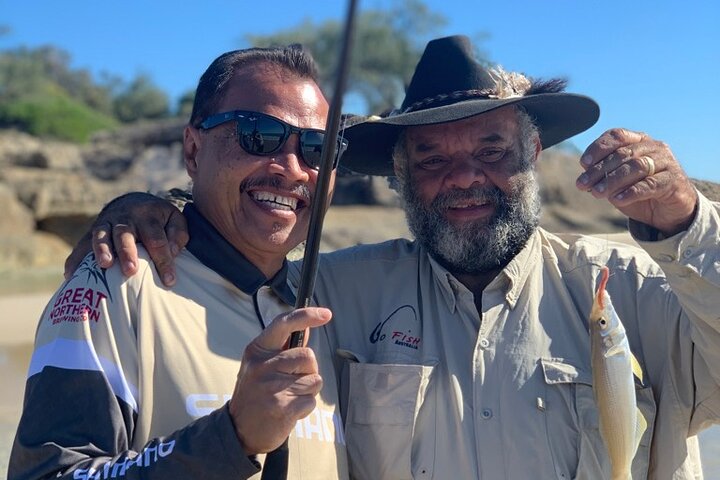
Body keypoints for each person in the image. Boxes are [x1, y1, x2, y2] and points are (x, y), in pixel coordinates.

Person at [66, 36, 720, 479]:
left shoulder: (626, 285)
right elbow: (234, 257)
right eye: (432, 160)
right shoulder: (332, 293)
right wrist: (146, 210)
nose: (463, 178)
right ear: (401, 179)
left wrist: (687, 220)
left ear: (533, 158)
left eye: (491, 151)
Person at [9, 45, 350, 480]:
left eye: (318, 149)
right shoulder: (116, 284)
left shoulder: (339, 305)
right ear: (192, 151)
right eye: (258, 134)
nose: (293, 168)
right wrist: (230, 436)